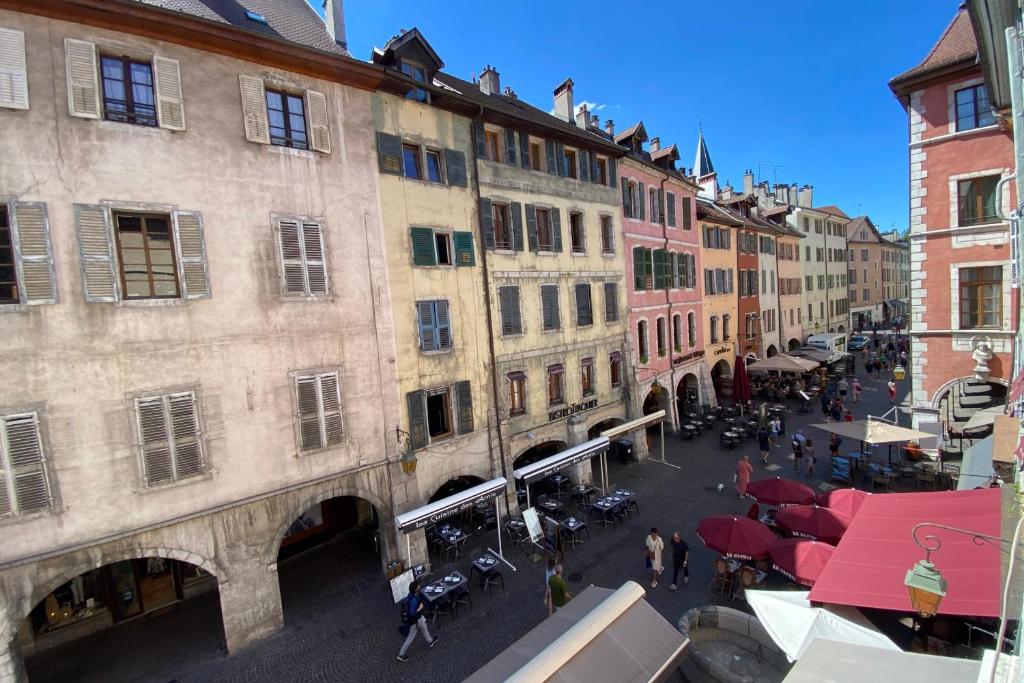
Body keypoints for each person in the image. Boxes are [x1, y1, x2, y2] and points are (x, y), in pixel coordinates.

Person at [397, 580, 439, 662]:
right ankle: (401, 654)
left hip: (418, 619)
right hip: (416, 620)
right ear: (415, 590)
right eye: (418, 587)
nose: (419, 588)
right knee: (411, 637)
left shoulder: (410, 596)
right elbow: (413, 613)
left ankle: (430, 641)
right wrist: (420, 607)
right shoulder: (414, 600)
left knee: (424, 628)